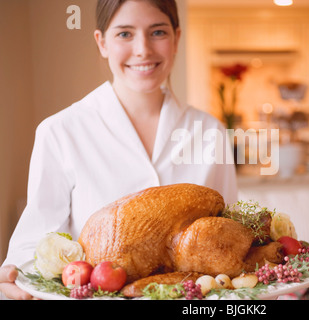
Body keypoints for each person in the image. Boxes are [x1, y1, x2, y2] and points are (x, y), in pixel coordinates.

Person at [0, 0, 237, 300]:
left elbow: (228, 235)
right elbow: (32, 249)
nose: (143, 50)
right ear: (102, 43)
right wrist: (14, 278)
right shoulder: (60, 131)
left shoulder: (210, 131)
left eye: (158, 32)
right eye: (125, 34)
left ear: (176, 38)